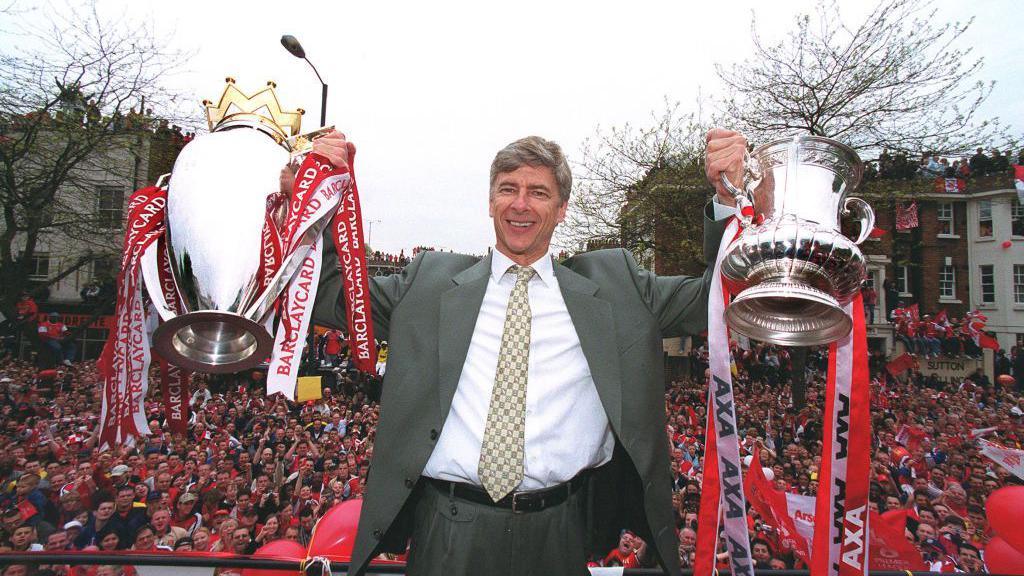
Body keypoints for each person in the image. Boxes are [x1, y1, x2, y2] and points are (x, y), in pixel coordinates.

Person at [309, 129, 743, 576]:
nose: (520, 204)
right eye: (508, 190)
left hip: (560, 532)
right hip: (449, 530)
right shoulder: (428, 283)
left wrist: (728, 198)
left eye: (538, 192)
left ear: (561, 209)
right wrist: (319, 196)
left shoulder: (617, 287)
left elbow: (716, 297)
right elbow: (328, 297)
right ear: (491, 201)